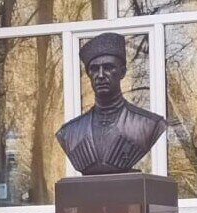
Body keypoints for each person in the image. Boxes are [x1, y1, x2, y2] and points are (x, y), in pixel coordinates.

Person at [56, 32, 166, 175]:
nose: (101, 75)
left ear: (122, 72)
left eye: (108, 67)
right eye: (94, 69)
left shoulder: (148, 124)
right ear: (89, 74)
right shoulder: (69, 132)